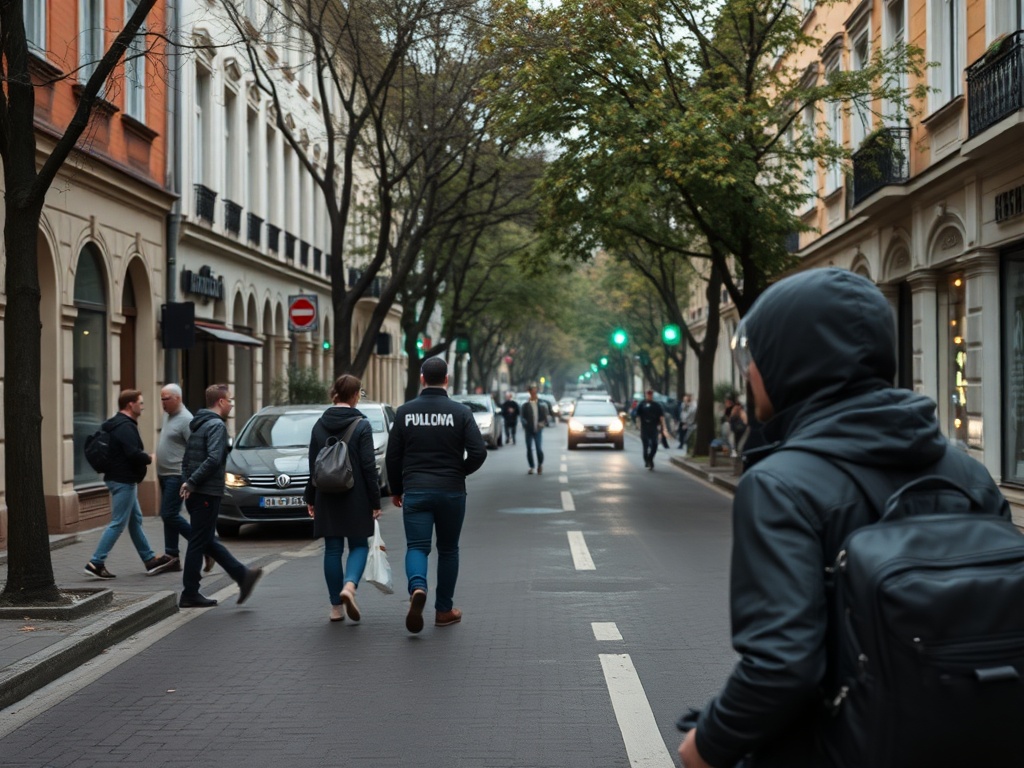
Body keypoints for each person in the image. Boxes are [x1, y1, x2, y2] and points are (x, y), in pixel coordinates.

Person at [677, 268, 1008, 768]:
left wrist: (706, 745)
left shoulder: (779, 485)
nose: (748, 371)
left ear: (793, 361)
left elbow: (781, 667)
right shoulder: (968, 473)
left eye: (756, 355)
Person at [385, 357, 487, 633]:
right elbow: (479, 452)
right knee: (448, 549)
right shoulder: (461, 412)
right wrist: (460, 472)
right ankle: (444, 610)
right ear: (447, 379)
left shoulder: (405, 412)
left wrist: (397, 489)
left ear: (421, 379)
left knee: (417, 547)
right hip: (451, 491)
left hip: (416, 490)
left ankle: (418, 587)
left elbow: (392, 457)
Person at [305, 374, 382, 623]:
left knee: (332, 549)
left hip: (326, 495)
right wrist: (375, 501)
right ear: (356, 395)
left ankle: (335, 608)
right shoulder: (362, 425)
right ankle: (349, 586)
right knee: (359, 545)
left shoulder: (319, 424)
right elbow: (369, 467)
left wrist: (310, 497)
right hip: (356, 494)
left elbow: (313, 465)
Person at [178, 384, 263, 608]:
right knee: (199, 542)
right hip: (207, 491)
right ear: (221, 402)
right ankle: (190, 593)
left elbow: (186, 459)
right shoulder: (216, 425)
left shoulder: (197, 424)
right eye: (230, 400)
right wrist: (192, 482)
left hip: (199, 491)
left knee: (205, 540)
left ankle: (242, 576)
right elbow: (215, 458)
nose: (232, 404)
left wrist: (187, 481)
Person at [84, 390, 175, 579]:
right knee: (118, 523)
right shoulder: (125, 427)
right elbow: (132, 453)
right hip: (123, 480)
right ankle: (96, 562)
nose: (142, 406)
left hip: (121, 478)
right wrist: (148, 458)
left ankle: (149, 560)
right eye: (140, 403)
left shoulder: (119, 424)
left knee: (135, 521)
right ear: (130, 405)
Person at [155, 384, 192, 570]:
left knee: (168, 514)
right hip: (164, 474)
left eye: (166, 398)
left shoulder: (186, 419)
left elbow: (193, 449)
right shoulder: (168, 415)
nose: (162, 403)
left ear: (177, 398)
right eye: (161, 398)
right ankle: (172, 555)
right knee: (169, 516)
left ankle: (205, 544)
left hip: (177, 475)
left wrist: (189, 479)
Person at [520, 384, 552, 475]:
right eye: (532, 392)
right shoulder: (525, 405)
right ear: (529, 393)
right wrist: (525, 424)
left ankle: (540, 465)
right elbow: (522, 417)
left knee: (538, 448)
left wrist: (542, 423)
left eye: (535, 392)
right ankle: (531, 466)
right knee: (529, 448)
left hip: (538, 429)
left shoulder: (542, 404)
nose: (534, 393)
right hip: (528, 430)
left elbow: (546, 416)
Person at [634, 389, 668, 470]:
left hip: (653, 427)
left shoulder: (656, 405)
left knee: (654, 444)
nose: (649, 396)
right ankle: (647, 460)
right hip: (644, 427)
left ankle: (650, 458)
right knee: (645, 446)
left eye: (650, 395)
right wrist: (638, 424)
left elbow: (661, 417)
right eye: (648, 394)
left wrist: (664, 427)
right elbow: (638, 416)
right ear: (646, 395)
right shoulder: (641, 404)